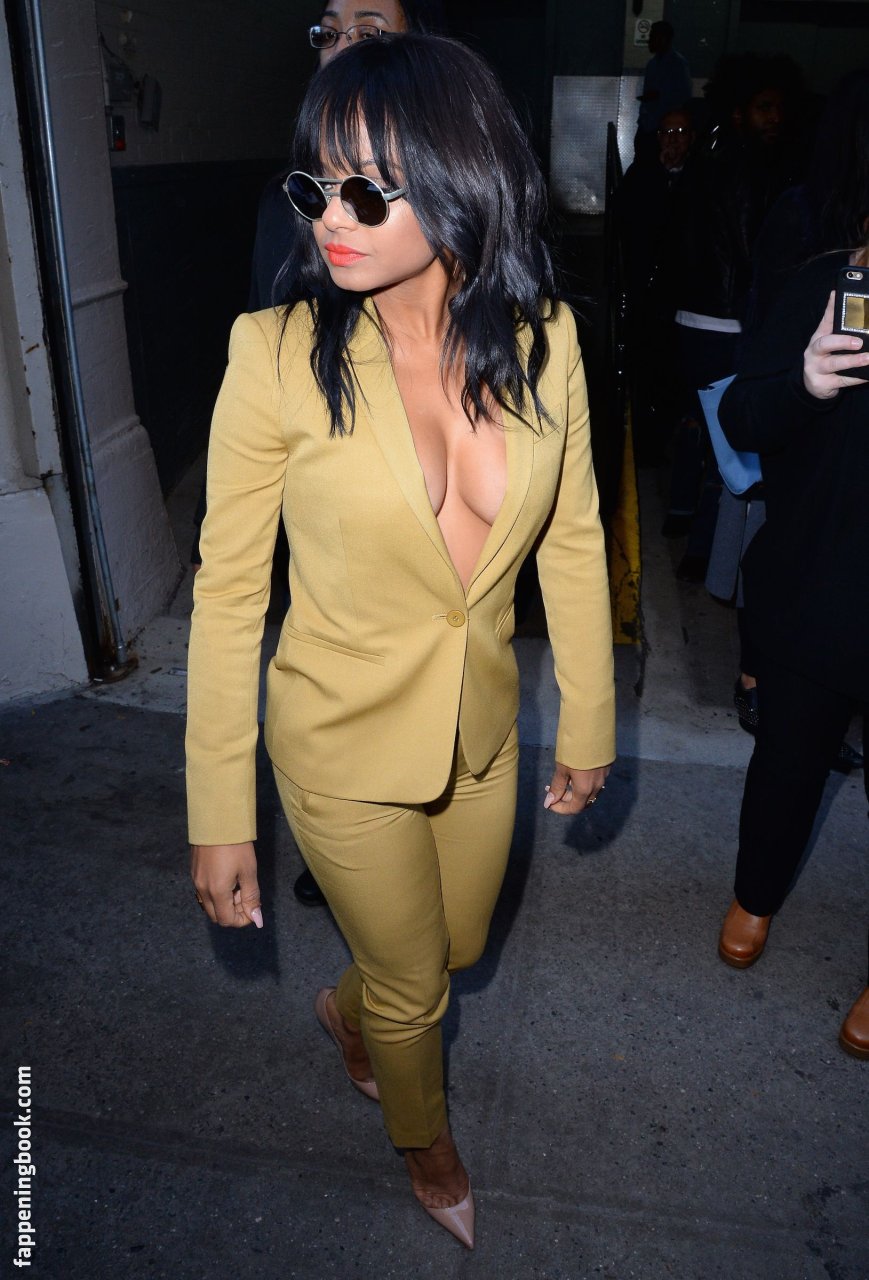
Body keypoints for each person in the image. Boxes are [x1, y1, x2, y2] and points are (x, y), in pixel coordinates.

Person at [186, 34, 616, 1246]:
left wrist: (587, 720)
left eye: (368, 191)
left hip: (479, 731)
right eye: (314, 185)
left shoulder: (545, 340)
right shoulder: (273, 356)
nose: (330, 218)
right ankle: (424, 1143)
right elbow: (228, 594)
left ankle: (350, 1004)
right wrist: (220, 810)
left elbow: (573, 536)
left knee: (453, 946)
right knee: (419, 989)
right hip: (337, 746)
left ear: (460, 178)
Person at [193, 0, 443, 909]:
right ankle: (339, 821)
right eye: (330, 30)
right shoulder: (284, 203)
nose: (341, 48)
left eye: (369, 30)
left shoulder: (462, 207)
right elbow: (266, 341)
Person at [715, 236, 869, 1060]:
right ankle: (754, 895)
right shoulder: (827, 281)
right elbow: (740, 414)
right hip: (814, 588)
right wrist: (804, 384)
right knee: (785, 764)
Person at [635, 21, 692, 163]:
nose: (649, 41)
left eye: (652, 37)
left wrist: (659, 97)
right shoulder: (652, 64)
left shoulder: (678, 64)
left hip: (664, 131)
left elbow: (683, 97)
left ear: (663, 38)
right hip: (647, 127)